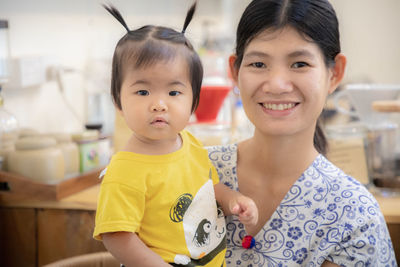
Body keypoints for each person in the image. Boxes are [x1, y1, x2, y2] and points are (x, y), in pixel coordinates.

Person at [208, 0, 397, 266]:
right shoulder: (192, 169)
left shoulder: (353, 213)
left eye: (299, 64)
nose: (276, 85)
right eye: (259, 64)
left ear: (335, 74)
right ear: (235, 71)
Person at [93, 2, 258, 267]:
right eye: (143, 92)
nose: (159, 104)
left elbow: (208, 188)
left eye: (173, 92)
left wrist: (234, 201)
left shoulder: (189, 143)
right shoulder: (124, 171)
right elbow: (117, 236)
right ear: (117, 101)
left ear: (193, 102)